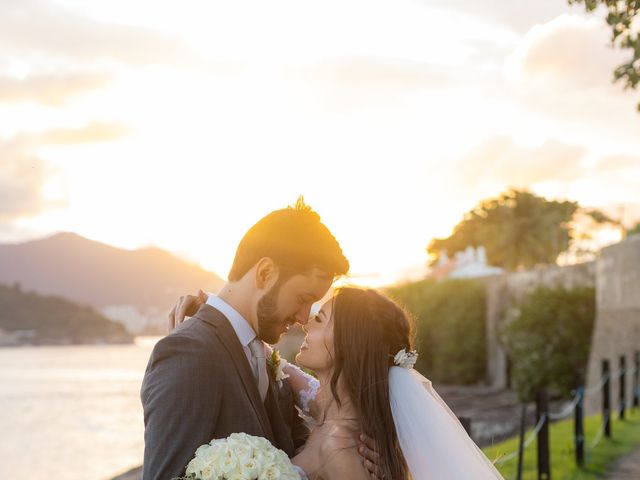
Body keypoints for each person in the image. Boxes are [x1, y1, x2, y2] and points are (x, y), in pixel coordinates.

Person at [141, 200, 380, 480]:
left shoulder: (263, 355)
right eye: (304, 299)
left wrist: (360, 455)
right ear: (266, 273)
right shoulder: (189, 352)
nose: (304, 318)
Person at [173, 287, 506, 479]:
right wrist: (216, 318)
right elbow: (272, 362)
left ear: (349, 343)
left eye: (320, 320)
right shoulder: (325, 405)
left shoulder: (346, 450)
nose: (305, 325)